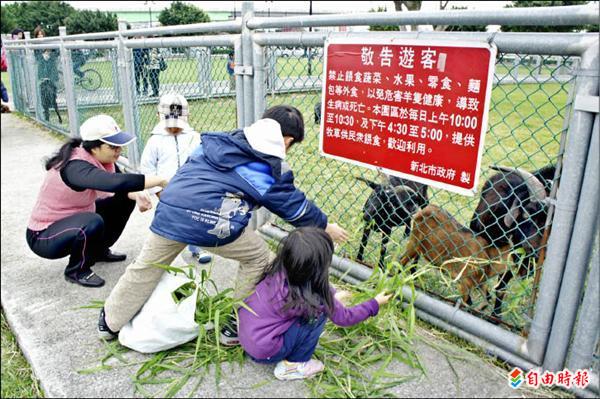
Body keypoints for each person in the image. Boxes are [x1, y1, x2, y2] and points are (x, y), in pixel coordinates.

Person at [98, 105, 349, 345]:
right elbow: (294, 207)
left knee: (146, 266)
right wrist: (325, 226)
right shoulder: (271, 168)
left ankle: (109, 322)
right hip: (211, 221)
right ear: (288, 141)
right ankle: (234, 325)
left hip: (171, 209)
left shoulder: (219, 141)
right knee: (259, 258)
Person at [26, 114, 169, 288]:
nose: (118, 151)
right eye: (112, 146)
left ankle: (98, 251)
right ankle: (77, 270)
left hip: (72, 221)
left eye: (120, 146)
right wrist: (161, 180)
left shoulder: (102, 160)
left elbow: (120, 186)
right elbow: (114, 182)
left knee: (124, 199)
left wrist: (137, 194)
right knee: (91, 221)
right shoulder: (75, 167)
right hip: (44, 236)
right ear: (94, 148)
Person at [239, 227, 392, 380]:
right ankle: (293, 366)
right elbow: (345, 318)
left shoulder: (277, 273)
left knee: (312, 309)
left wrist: (333, 296)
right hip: (267, 352)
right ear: (319, 268)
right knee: (316, 316)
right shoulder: (316, 297)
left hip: (248, 340)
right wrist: (375, 303)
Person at [140, 92, 212, 264]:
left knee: (194, 218)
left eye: (178, 124)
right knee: (168, 221)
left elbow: (202, 161)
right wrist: (158, 191)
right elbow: (148, 168)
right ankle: (167, 252)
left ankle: (196, 247)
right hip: (166, 190)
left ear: (188, 117)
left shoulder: (194, 138)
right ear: (158, 116)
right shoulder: (155, 141)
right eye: (169, 124)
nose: (173, 128)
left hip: (191, 188)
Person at [32, 26, 62, 123]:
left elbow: (57, 52)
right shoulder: (35, 46)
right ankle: (46, 117)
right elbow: (37, 58)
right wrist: (43, 55)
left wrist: (50, 54)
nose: (40, 36)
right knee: (43, 96)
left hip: (51, 73)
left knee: (53, 96)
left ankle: (58, 115)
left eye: (41, 34)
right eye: (38, 35)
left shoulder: (49, 43)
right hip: (43, 74)